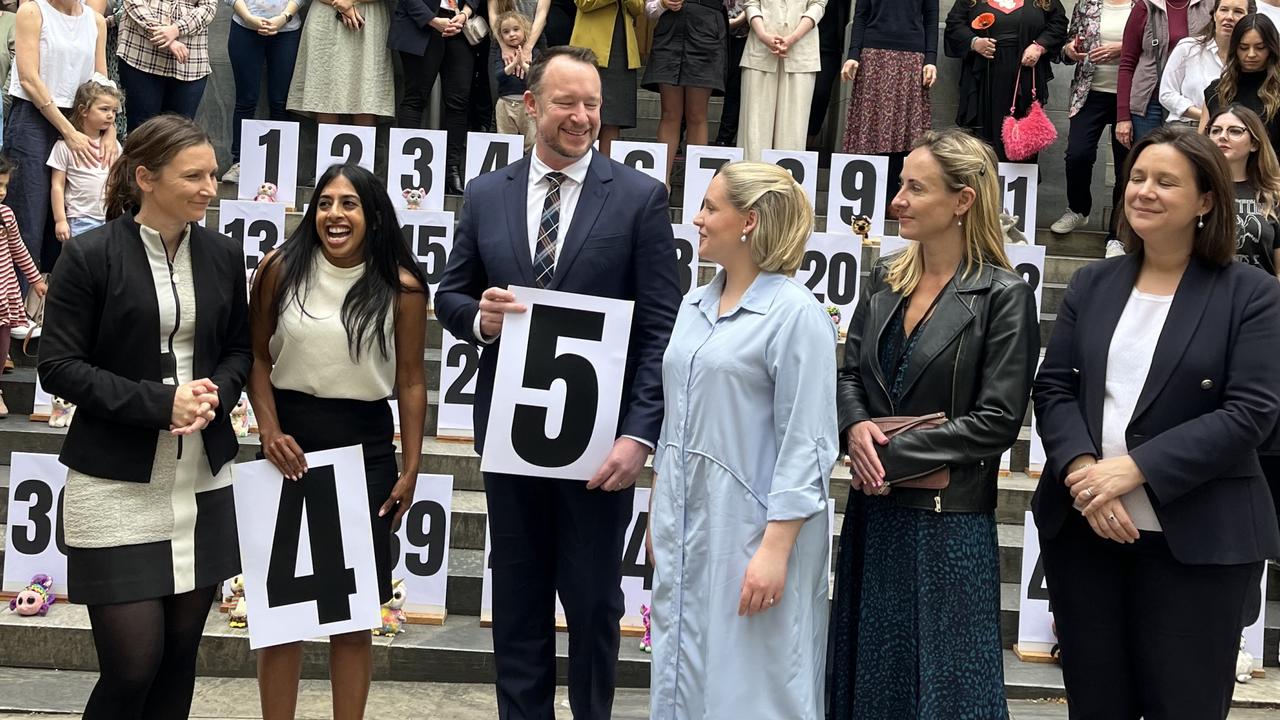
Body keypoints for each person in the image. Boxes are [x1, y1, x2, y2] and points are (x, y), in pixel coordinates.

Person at [435, 46, 680, 720]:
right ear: (531, 105)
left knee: (596, 604)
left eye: (593, 105)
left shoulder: (638, 198)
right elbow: (449, 295)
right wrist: (479, 321)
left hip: (600, 450)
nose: (582, 117)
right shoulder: (487, 194)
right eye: (568, 102)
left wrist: (638, 435)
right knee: (516, 601)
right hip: (512, 438)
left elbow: (662, 328)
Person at [1033, 125, 1280, 719]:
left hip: (1197, 544)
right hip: (1087, 535)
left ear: (1206, 201)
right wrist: (1087, 473)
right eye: (1138, 177)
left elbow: (1251, 413)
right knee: (1096, 706)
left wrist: (1136, 469)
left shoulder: (1251, 294)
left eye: (1165, 181)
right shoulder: (1094, 282)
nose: (1143, 191)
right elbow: (1054, 386)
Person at [36, 114, 251, 719]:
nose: (210, 187)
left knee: (180, 661)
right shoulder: (87, 256)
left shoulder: (222, 255)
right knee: (132, 668)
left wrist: (216, 393)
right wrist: (161, 404)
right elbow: (59, 366)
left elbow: (240, 347)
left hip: (202, 481)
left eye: (213, 173)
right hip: (113, 487)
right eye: (194, 175)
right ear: (145, 177)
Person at [828, 128, 1040, 718]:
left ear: (963, 200)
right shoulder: (884, 279)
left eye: (915, 188)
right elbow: (849, 376)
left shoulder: (1004, 295)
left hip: (948, 528)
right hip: (875, 515)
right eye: (900, 185)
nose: (897, 200)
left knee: (948, 690)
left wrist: (884, 451)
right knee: (873, 681)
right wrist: (854, 429)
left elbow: (997, 422)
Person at [648, 162, 835, 718]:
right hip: (687, 521)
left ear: (749, 221)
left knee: (756, 683)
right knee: (682, 670)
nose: (697, 219)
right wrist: (661, 507)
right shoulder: (694, 304)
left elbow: (809, 442)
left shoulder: (796, 316)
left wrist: (774, 551)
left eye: (710, 207)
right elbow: (674, 414)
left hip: (754, 531)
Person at [247, 163, 428, 720]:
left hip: (364, 450)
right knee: (282, 619)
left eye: (348, 204)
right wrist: (270, 430)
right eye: (325, 202)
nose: (334, 214)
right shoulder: (278, 267)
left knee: (352, 619)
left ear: (373, 215)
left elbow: (412, 380)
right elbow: (255, 357)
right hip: (287, 448)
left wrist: (412, 464)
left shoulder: (402, 286)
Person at [7, 0, 111, 283]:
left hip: (82, 121)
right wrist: (68, 131)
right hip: (34, 117)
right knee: (27, 214)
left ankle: (60, 301)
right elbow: (29, 78)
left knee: (71, 214)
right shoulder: (32, 11)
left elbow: (102, 84)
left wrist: (110, 130)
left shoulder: (95, 21)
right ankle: (17, 304)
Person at [840, 0, 938, 210]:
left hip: (912, 56)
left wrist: (931, 59)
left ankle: (896, 197)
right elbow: (861, 15)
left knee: (905, 131)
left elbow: (931, 18)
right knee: (871, 127)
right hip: (873, 54)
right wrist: (853, 54)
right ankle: (868, 196)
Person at [1050, 0, 1132, 251]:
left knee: (1126, 168)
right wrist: (1070, 50)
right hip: (1089, 93)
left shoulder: (1145, 6)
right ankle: (1078, 208)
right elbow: (1065, 48)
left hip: (1131, 96)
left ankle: (1117, 235)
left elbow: (1156, 47)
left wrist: (1122, 49)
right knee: (1078, 154)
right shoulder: (1087, 4)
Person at [944, 0, 1068, 163]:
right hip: (983, 81)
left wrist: (1039, 46)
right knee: (983, 141)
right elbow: (954, 24)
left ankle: (1018, 182)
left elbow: (1058, 24)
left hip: (1025, 79)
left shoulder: (1044, 2)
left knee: (1022, 140)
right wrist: (974, 43)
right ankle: (984, 184)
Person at [388, 0, 480, 194]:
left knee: (459, 103)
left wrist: (464, 14)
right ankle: (406, 169)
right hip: (420, 24)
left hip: (460, 26)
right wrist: (431, 20)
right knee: (415, 98)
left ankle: (452, 171)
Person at [219, 0, 306, 185]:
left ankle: (280, 168)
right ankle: (240, 162)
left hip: (287, 30)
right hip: (244, 27)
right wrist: (248, 17)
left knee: (280, 102)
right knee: (246, 100)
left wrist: (284, 17)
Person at [642, 0, 728, 182]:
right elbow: (649, 9)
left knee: (697, 114)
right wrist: (663, 4)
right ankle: (661, 183)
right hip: (670, 32)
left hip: (707, 30)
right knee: (669, 113)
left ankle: (696, 185)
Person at [1117, 0, 1215, 148]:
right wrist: (1122, 116)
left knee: (1188, 164)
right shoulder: (1145, 7)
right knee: (1149, 160)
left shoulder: (1208, 6)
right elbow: (1127, 63)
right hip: (1149, 104)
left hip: (1190, 104)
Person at [738, 0, 826, 161]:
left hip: (801, 53)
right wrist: (763, 35)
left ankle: (786, 181)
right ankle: (752, 181)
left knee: (793, 128)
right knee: (754, 127)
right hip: (759, 49)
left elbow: (818, 5)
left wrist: (793, 38)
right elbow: (751, 3)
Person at [288, 0, 395, 126]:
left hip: (369, 16)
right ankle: (325, 144)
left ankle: (364, 144)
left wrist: (348, 2)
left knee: (367, 90)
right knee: (325, 90)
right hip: (326, 15)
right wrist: (341, 3)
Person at [116, 0, 218, 130]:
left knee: (179, 135)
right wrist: (165, 37)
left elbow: (209, 6)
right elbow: (134, 3)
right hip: (141, 53)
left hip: (190, 62)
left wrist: (176, 29)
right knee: (142, 131)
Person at [1207, 103, 1280, 274]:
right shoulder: (1195, 189)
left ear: (1254, 143)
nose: (1222, 137)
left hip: (1260, 295)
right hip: (1206, 293)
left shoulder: (1273, 194)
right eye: (1215, 130)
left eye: (1235, 131)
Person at [0, 156, 47, 414]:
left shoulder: (6, 214)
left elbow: (19, 250)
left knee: (3, 346)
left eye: (5, 186)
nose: (2, 191)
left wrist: (36, 279)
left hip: (4, 297)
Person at [49, 77, 121, 242]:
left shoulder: (113, 144)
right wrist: (60, 220)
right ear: (84, 110)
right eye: (104, 109)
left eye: (114, 111)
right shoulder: (64, 146)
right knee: (80, 264)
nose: (110, 116)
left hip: (111, 217)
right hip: (80, 219)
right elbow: (57, 185)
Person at [1160, 0, 1251, 128]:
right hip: (1185, 128)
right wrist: (1206, 116)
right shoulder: (1188, 48)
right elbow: (1166, 94)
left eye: (1238, 12)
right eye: (1224, 10)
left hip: (1229, 132)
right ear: (1214, 14)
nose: (1229, 17)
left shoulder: (1250, 58)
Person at [570, 0, 642, 156]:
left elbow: (638, 8)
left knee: (614, 117)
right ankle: (578, 164)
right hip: (589, 48)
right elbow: (583, 3)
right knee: (582, 112)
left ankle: (605, 170)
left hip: (621, 48)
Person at [1201, 13, 1280, 149]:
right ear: (1235, 48)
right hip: (1223, 167)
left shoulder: (1277, 90)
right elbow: (1203, 142)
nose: (1251, 54)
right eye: (1243, 48)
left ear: (1271, 49)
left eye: (1260, 48)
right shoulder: (1217, 90)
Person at [493, 11, 537, 151]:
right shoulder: (501, 54)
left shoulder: (534, 53)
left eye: (516, 29)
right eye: (506, 32)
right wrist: (512, 64)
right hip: (505, 103)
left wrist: (523, 64)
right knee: (506, 143)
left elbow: (537, 76)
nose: (511, 34)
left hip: (528, 105)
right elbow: (498, 75)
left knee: (532, 142)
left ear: (525, 30)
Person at [712, 0, 749, 147]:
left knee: (734, 89)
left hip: (744, 36)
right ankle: (679, 137)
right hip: (707, 32)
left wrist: (741, 19)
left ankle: (724, 140)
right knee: (697, 86)